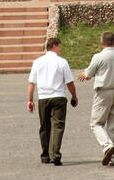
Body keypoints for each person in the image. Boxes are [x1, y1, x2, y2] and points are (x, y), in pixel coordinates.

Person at [77, 31, 114, 166]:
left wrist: (83, 74)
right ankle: (110, 158)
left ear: (102, 42)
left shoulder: (98, 57)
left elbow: (89, 74)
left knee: (96, 123)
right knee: (113, 125)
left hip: (103, 91)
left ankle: (107, 146)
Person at [27, 36, 77, 165]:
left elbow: (31, 83)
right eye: (59, 46)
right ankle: (55, 154)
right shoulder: (62, 62)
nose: (60, 49)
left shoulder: (38, 62)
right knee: (58, 126)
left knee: (44, 126)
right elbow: (69, 82)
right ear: (54, 45)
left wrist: (30, 100)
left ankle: (45, 155)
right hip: (58, 96)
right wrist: (74, 96)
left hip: (43, 97)